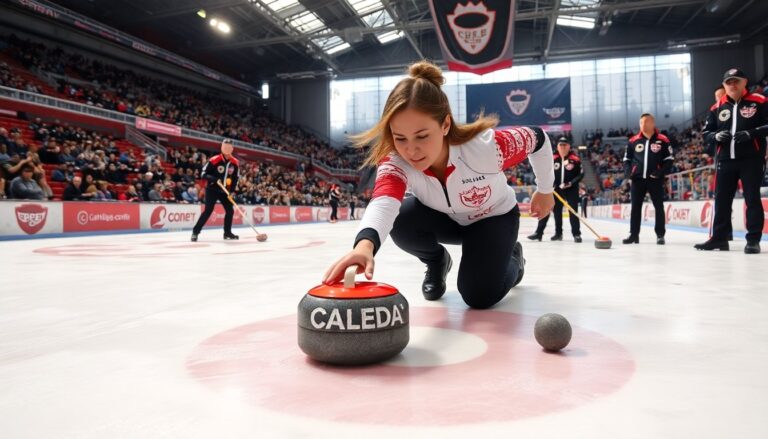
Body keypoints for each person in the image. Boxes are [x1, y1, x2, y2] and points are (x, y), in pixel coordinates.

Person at [322, 61, 555, 309]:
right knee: (401, 219)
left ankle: (513, 259)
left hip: (492, 219)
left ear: (445, 124)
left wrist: (545, 190)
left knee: (479, 295)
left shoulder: (487, 147)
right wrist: (364, 246)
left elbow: (538, 138)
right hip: (445, 220)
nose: (411, 150)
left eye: (422, 136)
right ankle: (436, 262)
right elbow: (384, 201)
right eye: (400, 138)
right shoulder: (396, 159)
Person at [695, 68, 768, 253]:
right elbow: (706, 133)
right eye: (728, 82)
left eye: (736, 81)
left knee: (752, 199)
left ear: (744, 82)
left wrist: (751, 134)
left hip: (751, 159)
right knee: (721, 200)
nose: (732, 85)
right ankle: (719, 238)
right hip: (726, 160)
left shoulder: (759, 101)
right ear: (724, 85)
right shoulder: (716, 107)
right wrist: (716, 135)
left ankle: (753, 240)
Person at [622, 113, 673, 245]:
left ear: (652, 123)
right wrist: (629, 173)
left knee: (658, 207)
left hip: (655, 179)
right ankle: (633, 235)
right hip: (637, 180)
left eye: (645, 122)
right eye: (641, 123)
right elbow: (626, 160)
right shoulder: (633, 141)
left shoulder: (663, 140)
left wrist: (660, 172)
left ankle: (660, 235)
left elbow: (669, 160)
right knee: (635, 207)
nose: (642, 125)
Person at [527, 136, 583, 242]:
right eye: (560, 145)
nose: (562, 147)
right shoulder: (553, 158)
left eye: (565, 145)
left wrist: (570, 183)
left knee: (573, 211)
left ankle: (576, 234)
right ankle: (556, 233)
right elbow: (546, 171)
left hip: (571, 189)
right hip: (556, 190)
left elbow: (581, 174)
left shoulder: (575, 159)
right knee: (555, 211)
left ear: (569, 146)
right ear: (557, 146)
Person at [191, 139, 240, 241]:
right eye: (225, 146)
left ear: (232, 149)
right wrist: (214, 179)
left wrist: (232, 191)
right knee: (208, 210)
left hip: (225, 191)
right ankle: (195, 232)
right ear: (222, 147)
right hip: (212, 189)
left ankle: (227, 233)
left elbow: (235, 178)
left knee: (230, 211)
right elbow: (203, 174)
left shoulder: (235, 162)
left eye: (228, 147)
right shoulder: (214, 160)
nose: (226, 149)